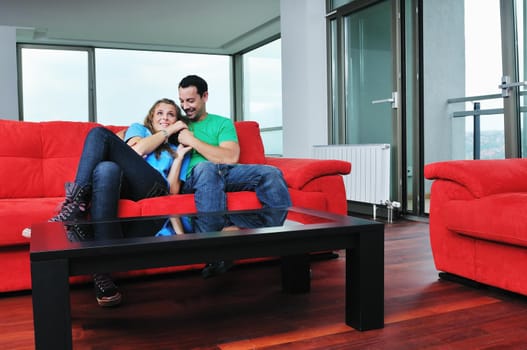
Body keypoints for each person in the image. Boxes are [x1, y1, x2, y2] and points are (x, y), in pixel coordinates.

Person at [33, 98, 191, 307]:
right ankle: (103, 273)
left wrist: (179, 158)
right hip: (128, 184)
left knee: (99, 134)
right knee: (106, 169)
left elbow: (171, 191)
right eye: (160, 113)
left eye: (171, 114)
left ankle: (75, 207)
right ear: (151, 117)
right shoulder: (140, 130)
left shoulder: (177, 147)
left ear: (176, 119)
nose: (165, 118)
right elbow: (137, 151)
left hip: (154, 187)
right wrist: (167, 132)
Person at [177, 75, 292, 277]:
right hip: (196, 177)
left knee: (271, 173)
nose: (186, 106)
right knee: (207, 167)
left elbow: (230, 157)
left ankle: (277, 241)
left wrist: (192, 141)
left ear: (205, 96)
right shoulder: (178, 123)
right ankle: (215, 254)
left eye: (191, 100)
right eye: (182, 101)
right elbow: (142, 132)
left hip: (227, 172)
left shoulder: (222, 123)